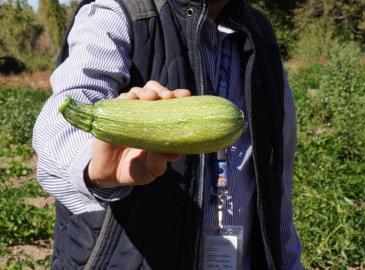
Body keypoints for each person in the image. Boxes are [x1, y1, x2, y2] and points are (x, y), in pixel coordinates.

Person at [33, 0, 304, 269]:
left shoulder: (258, 32)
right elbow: (62, 118)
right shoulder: (119, 11)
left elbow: (276, 184)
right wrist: (93, 166)